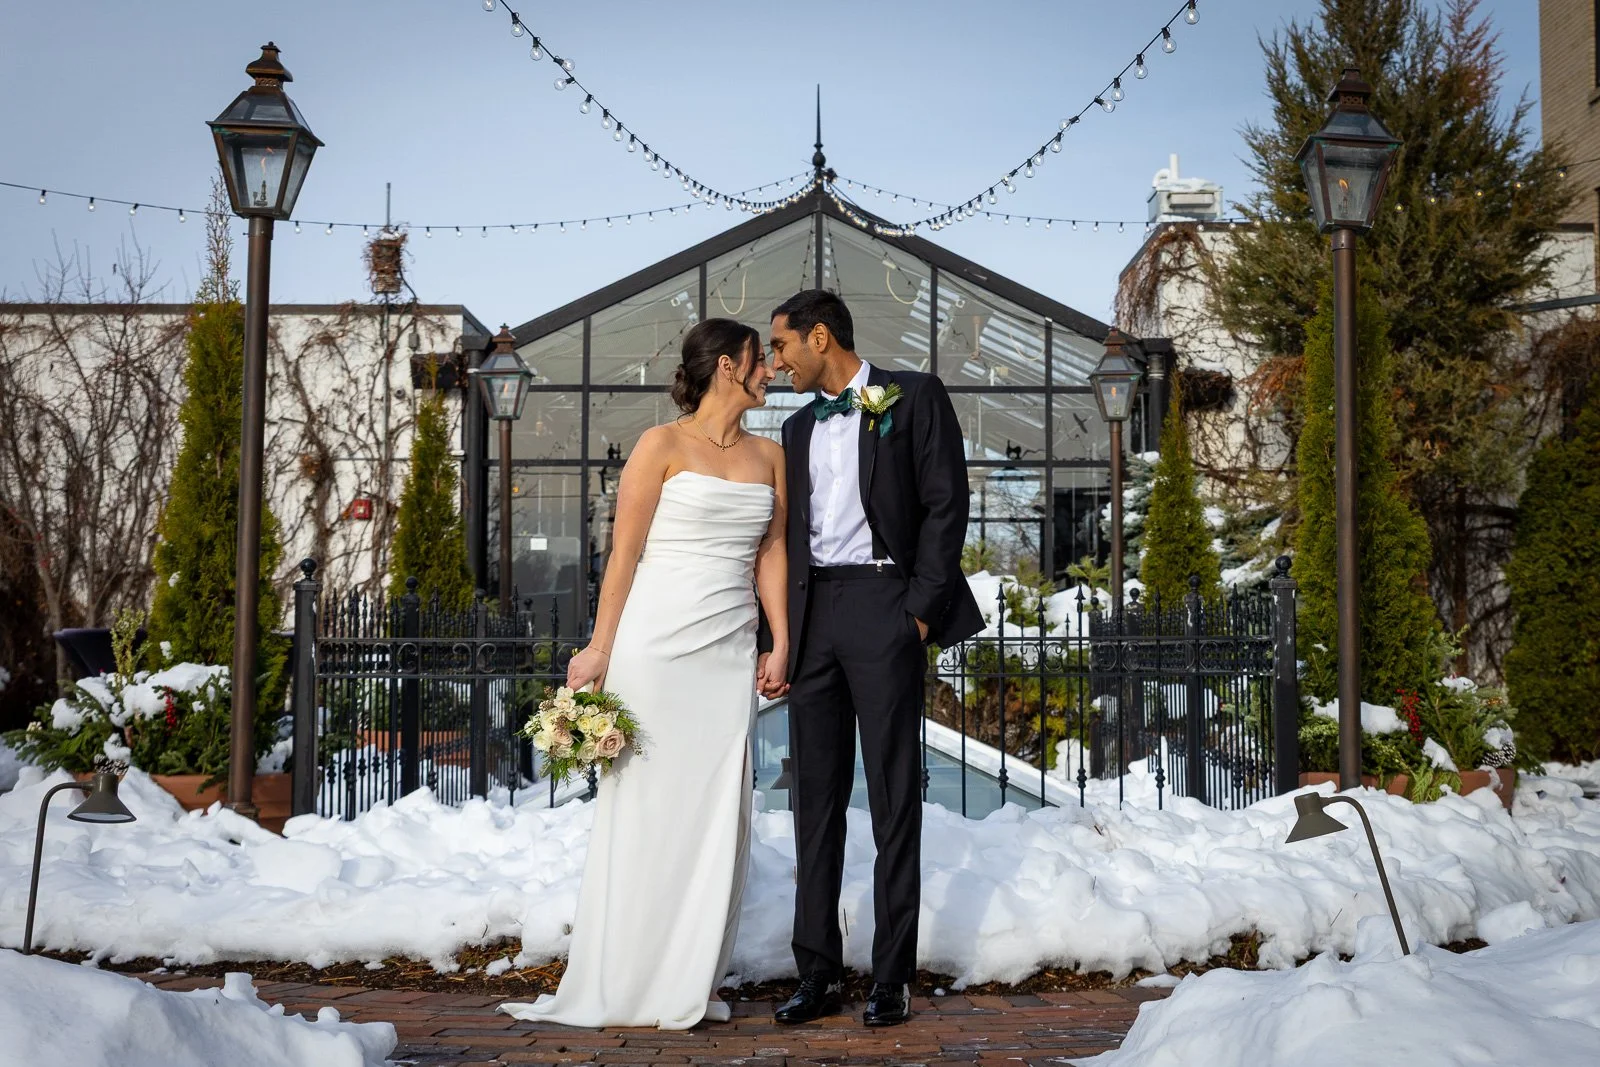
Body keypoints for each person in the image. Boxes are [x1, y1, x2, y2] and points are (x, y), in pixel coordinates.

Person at [500, 318, 789, 1030]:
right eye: (761, 360)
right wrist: (599, 649)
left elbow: (771, 555)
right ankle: (627, 976)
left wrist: (781, 639)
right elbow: (622, 558)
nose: (770, 370)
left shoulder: (771, 456)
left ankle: (689, 976)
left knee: (717, 816)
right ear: (728, 366)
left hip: (727, 654)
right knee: (648, 814)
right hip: (655, 649)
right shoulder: (659, 446)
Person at [764, 290, 983, 1028]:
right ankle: (815, 971)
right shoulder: (795, 429)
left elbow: (946, 504)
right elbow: (788, 536)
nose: (775, 361)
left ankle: (892, 976)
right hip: (815, 615)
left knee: (893, 800)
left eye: (782, 345)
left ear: (819, 337)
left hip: (886, 607)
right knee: (813, 803)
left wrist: (918, 613)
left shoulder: (914, 397)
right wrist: (786, 632)